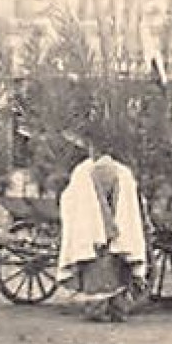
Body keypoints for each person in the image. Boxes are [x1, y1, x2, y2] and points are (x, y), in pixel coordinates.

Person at [54, 131, 147, 321]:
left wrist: (96, 226)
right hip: (118, 231)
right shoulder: (122, 172)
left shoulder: (83, 173)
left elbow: (72, 201)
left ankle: (97, 310)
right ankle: (118, 309)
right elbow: (131, 205)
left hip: (93, 233)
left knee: (96, 272)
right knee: (117, 269)